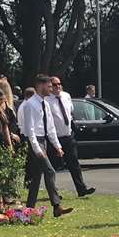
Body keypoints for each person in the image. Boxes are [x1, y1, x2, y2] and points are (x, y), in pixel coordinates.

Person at [18, 74, 71, 218]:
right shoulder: (30, 104)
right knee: (50, 171)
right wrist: (36, 148)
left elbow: (51, 127)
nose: (51, 89)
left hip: (44, 140)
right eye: (49, 86)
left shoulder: (45, 103)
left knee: (36, 176)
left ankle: (29, 208)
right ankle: (56, 205)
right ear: (40, 86)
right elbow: (30, 130)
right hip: (36, 141)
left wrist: (57, 145)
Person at [47, 76, 94, 197]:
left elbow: (70, 113)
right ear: (50, 86)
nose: (57, 87)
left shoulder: (66, 96)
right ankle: (54, 192)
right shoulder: (47, 100)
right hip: (54, 138)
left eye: (59, 84)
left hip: (68, 135)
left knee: (74, 163)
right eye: (54, 84)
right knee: (53, 166)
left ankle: (81, 189)